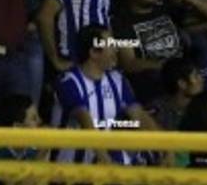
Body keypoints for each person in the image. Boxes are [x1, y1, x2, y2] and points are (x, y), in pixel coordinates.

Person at [55, 25, 158, 165]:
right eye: (110, 45)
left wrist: (165, 148)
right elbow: (85, 119)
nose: (116, 50)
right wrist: (105, 160)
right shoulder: (69, 81)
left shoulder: (117, 80)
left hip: (107, 166)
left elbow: (139, 115)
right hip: (71, 171)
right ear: (93, 52)